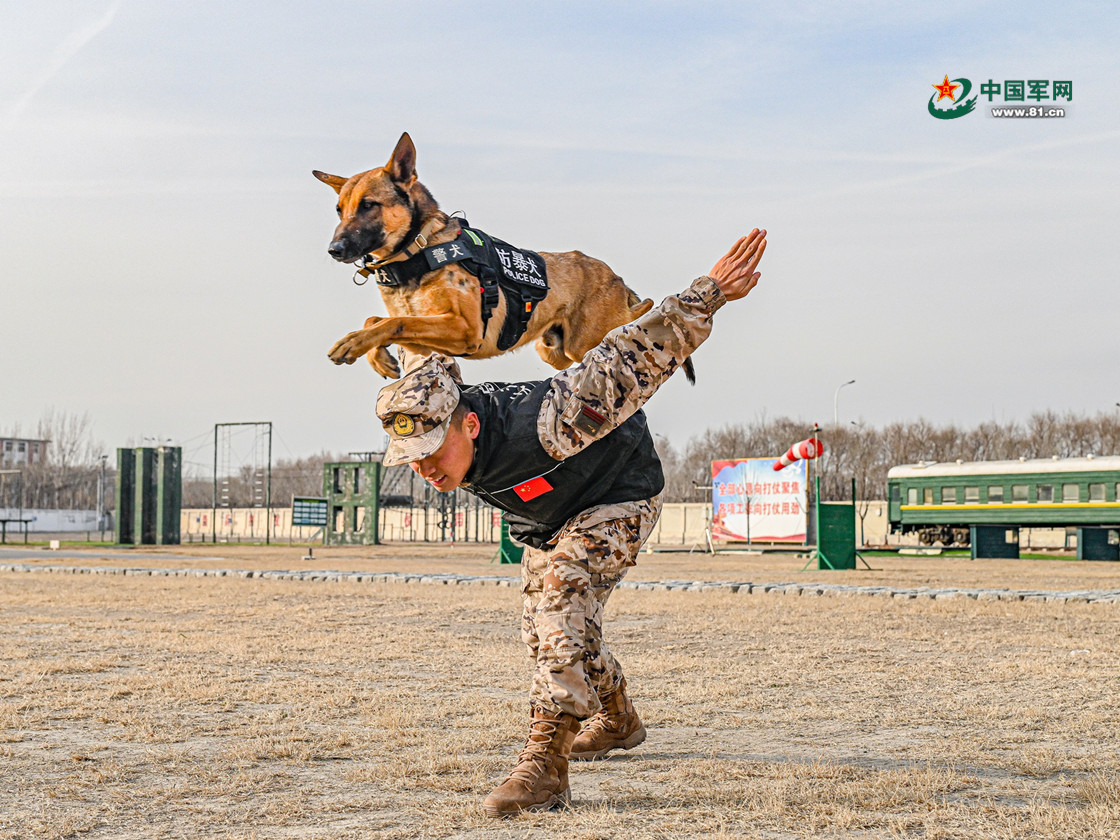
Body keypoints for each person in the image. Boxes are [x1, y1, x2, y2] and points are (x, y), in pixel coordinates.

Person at [375, 229, 768, 817]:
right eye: (413, 458)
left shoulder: (551, 417)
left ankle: (544, 770)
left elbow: (634, 352)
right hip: (550, 519)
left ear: (471, 427)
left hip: (618, 494)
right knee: (548, 637)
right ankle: (617, 719)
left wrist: (709, 293)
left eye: (433, 450)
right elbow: (422, 339)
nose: (426, 469)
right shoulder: (435, 405)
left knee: (562, 608)